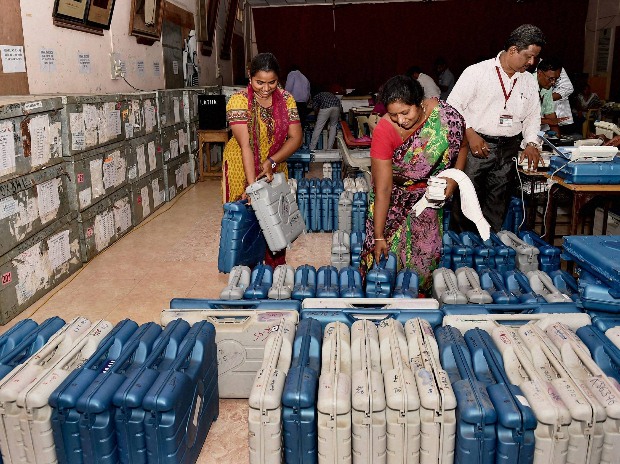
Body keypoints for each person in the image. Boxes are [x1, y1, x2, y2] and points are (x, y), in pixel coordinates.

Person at [359, 75, 467, 294]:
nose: (401, 120)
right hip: (392, 203)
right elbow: (383, 189)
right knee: (385, 261)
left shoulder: (445, 117)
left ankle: (419, 301)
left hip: (428, 201)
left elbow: (463, 145)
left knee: (424, 258)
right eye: (393, 114)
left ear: (419, 103)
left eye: (405, 112)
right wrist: (379, 235)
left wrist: (453, 181)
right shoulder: (385, 130)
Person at [447, 24, 545, 233]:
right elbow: (452, 106)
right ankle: (462, 249)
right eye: (528, 56)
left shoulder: (528, 81)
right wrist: (470, 132)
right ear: (512, 50)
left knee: (497, 202)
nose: (532, 62)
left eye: (535, 57)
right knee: (467, 198)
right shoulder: (476, 72)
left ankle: (489, 249)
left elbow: (533, 116)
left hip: (508, 148)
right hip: (477, 146)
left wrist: (530, 143)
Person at [222, 52, 303, 267]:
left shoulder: (286, 99)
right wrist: (251, 188)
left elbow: (296, 138)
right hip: (242, 163)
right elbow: (245, 145)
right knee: (246, 218)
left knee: (276, 219)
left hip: (275, 164)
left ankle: (274, 273)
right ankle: (245, 273)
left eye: (272, 82)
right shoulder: (238, 101)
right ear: (249, 77)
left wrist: (272, 162)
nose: (266, 89)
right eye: (260, 82)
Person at [536, 59, 567, 135]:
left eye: (556, 79)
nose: (553, 83)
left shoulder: (547, 88)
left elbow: (550, 114)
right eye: (551, 78)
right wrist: (547, 121)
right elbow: (520, 118)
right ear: (539, 73)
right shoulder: (526, 84)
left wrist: (557, 140)